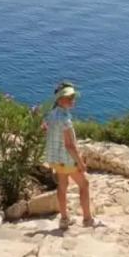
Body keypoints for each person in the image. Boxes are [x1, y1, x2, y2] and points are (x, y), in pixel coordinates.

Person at [45, 81, 99, 230]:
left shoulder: (52, 114)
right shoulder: (65, 119)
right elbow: (69, 145)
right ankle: (87, 219)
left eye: (73, 97)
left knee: (62, 186)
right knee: (84, 184)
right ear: (60, 99)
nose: (72, 100)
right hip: (68, 159)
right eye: (69, 98)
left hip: (57, 159)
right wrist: (80, 162)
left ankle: (64, 219)